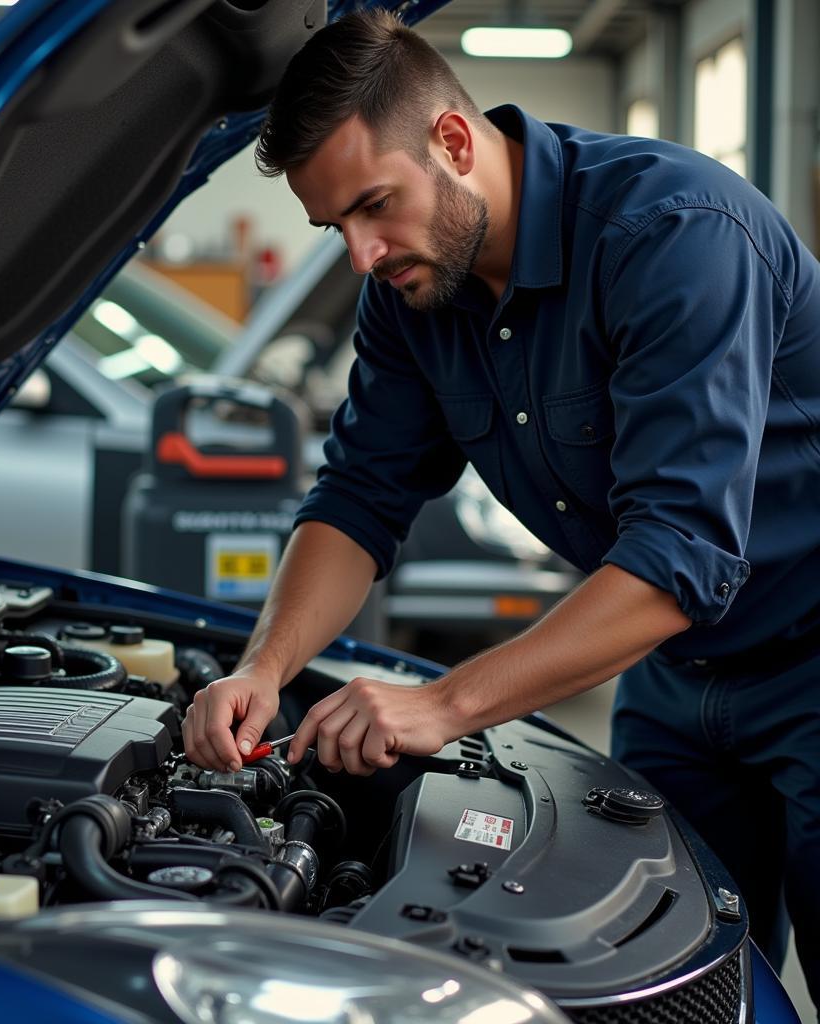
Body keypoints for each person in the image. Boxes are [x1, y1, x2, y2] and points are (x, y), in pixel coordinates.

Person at [181, 9, 820, 1002]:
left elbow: (680, 550)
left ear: (452, 139)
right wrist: (265, 668)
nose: (360, 253)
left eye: (373, 206)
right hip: (669, 677)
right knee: (684, 994)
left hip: (809, 659)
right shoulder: (407, 294)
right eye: (334, 227)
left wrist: (440, 703)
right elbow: (359, 494)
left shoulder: (673, 236)